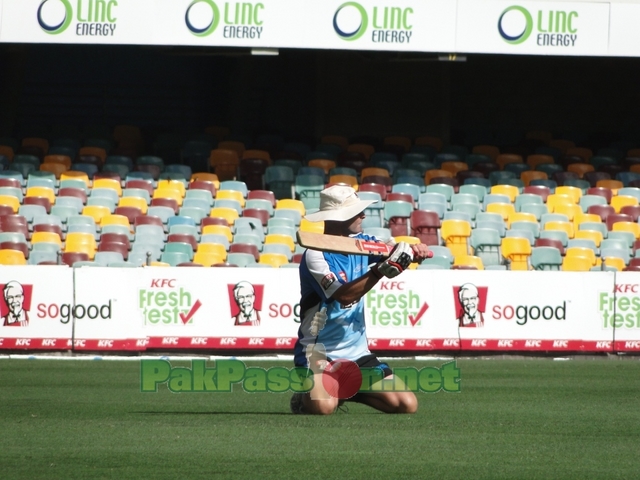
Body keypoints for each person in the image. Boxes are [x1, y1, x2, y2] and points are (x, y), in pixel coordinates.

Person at [291, 185, 431, 415]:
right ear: (339, 216)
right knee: (324, 407)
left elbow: (393, 250)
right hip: (318, 354)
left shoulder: (364, 243)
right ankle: (305, 396)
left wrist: (414, 250)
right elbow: (344, 296)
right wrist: (380, 272)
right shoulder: (315, 255)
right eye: (357, 212)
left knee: (407, 405)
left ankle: (342, 388)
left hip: (357, 355)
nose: (363, 215)